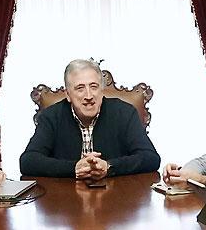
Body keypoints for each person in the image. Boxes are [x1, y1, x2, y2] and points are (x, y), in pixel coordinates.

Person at [18, 57, 161, 182]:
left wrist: (109, 166)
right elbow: (28, 161)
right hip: (64, 202)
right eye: (80, 88)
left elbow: (150, 158)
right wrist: (74, 168)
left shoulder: (124, 113)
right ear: (68, 94)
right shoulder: (51, 117)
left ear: (102, 90)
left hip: (117, 199)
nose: (89, 96)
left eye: (94, 87)